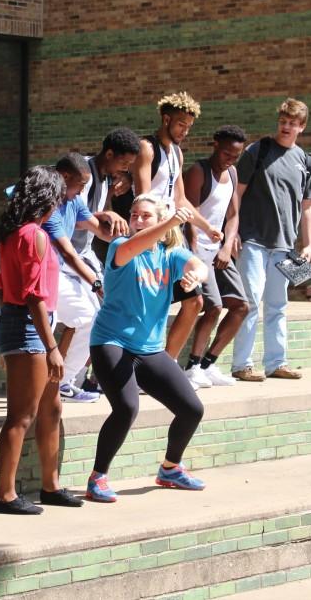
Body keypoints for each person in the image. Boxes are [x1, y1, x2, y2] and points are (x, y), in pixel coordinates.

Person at [86, 194, 209, 502]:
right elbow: (132, 245)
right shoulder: (119, 247)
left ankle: (170, 468)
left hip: (149, 349)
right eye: (134, 215)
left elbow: (195, 263)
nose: (138, 221)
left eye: (145, 216)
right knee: (127, 407)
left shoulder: (170, 254)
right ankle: (98, 476)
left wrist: (197, 274)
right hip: (111, 341)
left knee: (192, 409)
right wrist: (171, 221)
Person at [0, 166, 84, 514]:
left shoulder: (15, 232)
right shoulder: (34, 236)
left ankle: (51, 485)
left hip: (22, 325)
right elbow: (33, 297)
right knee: (22, 415)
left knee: (52, 408)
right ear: (50, 199)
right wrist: (51, 349)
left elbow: (5, 287)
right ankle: (5, 495)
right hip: (30, 328)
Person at [125, 92, 223, 363]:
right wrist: (153, 232)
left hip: (171, 238)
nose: (184, 131)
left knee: (195, 301)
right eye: (181, 124)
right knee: (147, 305)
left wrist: (206, 227)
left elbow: (180, 200)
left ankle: (164, 365)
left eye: (189, 126)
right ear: (166, 119)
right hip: (148, 237)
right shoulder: (147, 148)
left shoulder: (177, 153)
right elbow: (143, 199)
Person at [230, 98, 311, 382]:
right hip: (253, 241)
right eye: (283, 121)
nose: (286, 127)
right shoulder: (258, 151)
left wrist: (308, 244)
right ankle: (241, 364)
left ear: (301, 127)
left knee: (278, 305)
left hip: (284, 246)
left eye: (293, 123)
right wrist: (232, 234)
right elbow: (237, 194)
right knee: (250, 302)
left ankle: (276, 363)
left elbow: (308, 206)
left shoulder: (306, 161)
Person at [55, 130, 139, 401]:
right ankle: (65, 380)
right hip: (65, 258)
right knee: (87, 318)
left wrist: (132, 240)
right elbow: (80, 219)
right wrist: (106, 214)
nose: (125, 170)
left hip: (81, 254)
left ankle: (76, 378)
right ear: (110, 154)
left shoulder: (102, 179)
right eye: (124, 164)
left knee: (100, 316)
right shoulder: (85, 175)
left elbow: (96, 226)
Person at [43, 153, 116, 403]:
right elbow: (70, 253)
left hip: (60, 274)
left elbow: (101, 231)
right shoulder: (49, 205)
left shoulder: (74, 202)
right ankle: (41, 387)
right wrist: (96, 284)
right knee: (45, 330)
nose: (83, 189)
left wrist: (136, 238)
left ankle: (63, 383)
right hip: (44, 276)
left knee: (89, 319)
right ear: (64, 177)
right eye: (81, 184)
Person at [182, 126, 249, 388]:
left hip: (219, 249)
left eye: (235, 156)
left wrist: (227, 244)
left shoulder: (232, 172)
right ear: (214, 145)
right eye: (226, 154)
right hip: (197, 252)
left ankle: (208, 364)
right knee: (214, 307)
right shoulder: (199, 172)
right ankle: (192, 367)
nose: (230, 160)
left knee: (241, 307)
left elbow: (233, 215)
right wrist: (197, 252)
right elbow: (189, 214)